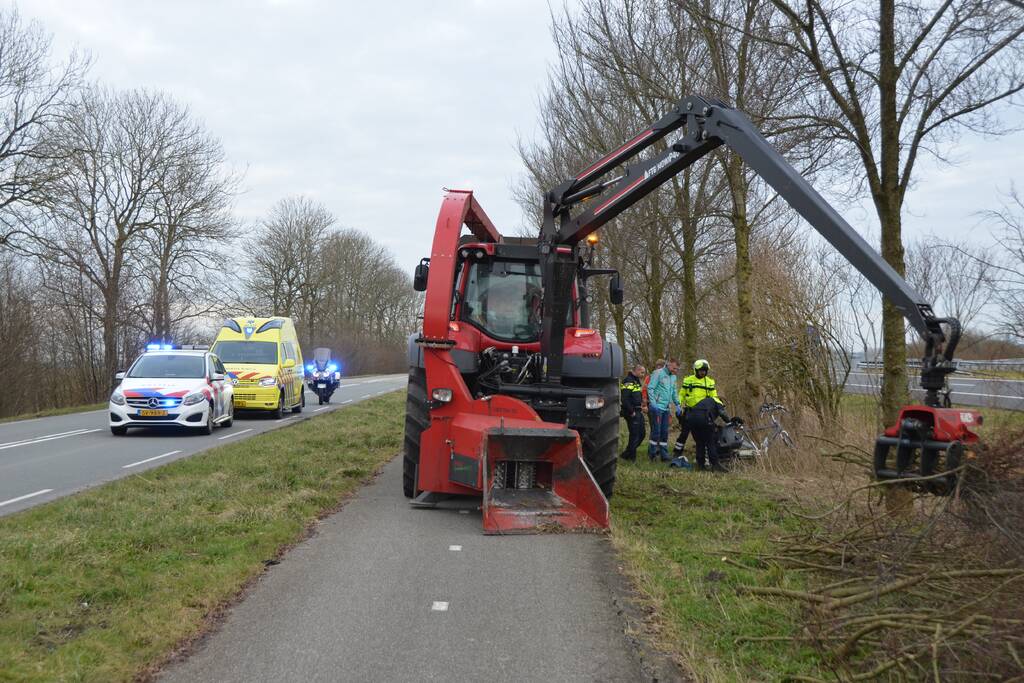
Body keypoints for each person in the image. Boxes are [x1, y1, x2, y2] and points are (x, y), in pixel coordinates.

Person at [673, 359, 720, 458]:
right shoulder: (688, 380)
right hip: (689, 411)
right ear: (696, 370)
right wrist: (678, 405)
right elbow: (682, 394)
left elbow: (714, 397)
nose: (703, 372)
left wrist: (720, 407)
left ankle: (704, 457)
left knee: (703, 437)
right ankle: (677, 452)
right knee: (684, 433)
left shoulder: (710, 382)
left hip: (704, 414)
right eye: (701, 370)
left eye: (704, 370)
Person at [646, 358, 680, 461]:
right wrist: (653, 403)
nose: (675, 370)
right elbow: (650, 388)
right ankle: (652, 454)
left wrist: (678, 404)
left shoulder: (673, 377)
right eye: (674, 368)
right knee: (656, 432)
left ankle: (664, 455)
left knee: (664, 432)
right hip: (657, 407)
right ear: (669, 365)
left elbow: (674, 391)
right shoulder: (658, 373)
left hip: (666, 409)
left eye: (677, 369)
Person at [619, 365, 647, 461]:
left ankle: (627, 454)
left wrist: (642, 403)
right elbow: (625, 399)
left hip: (638, 410)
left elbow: (635, 396)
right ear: (637, 370)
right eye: (642, 372)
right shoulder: (628, 380)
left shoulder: (636, 380)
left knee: (642, 434)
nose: (643, 375)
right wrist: (631, 411)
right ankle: (631, 458)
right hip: (632, 412)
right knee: (634, 435)